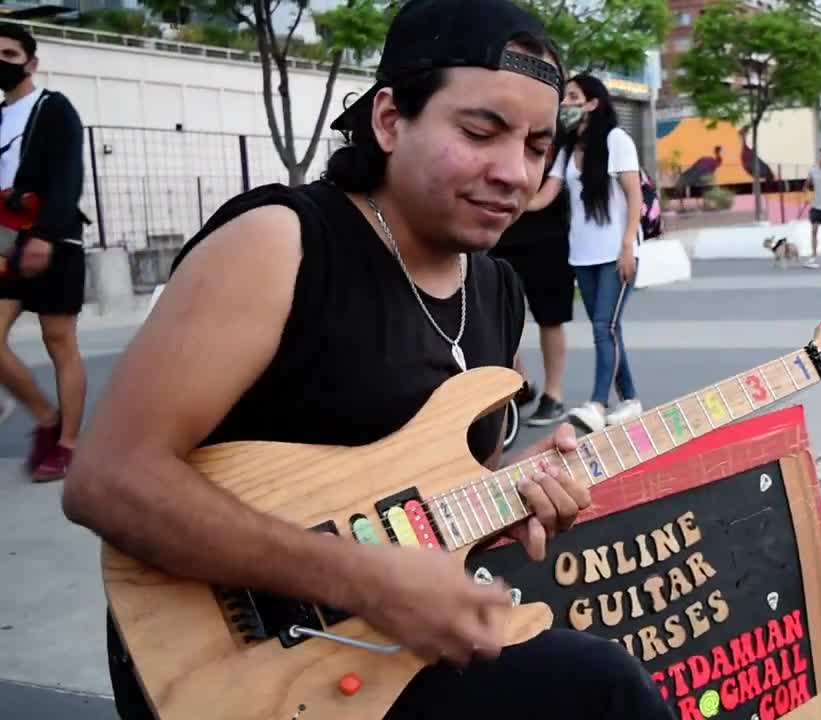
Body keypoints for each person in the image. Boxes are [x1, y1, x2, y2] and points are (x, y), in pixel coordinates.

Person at [60, 1, 675, 719]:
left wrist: (512, 496)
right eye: (481, 130)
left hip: (387, 653)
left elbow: (411, 489)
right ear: (389, 120)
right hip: (246, 674)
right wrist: (364, 579)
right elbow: (107, 479)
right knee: (605, 690)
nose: (514, 171)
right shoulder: (281, 243)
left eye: (539, 146)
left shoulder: (497, 289)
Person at [526, 73, 644, 434]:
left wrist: (628, 246)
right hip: (583, 256)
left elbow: (634, 194)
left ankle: (597, 403)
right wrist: (510, 204)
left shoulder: (616, 140)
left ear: (592, 103)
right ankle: (631, 400)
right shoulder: (568, 149)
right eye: (565, 98)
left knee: (602, 328)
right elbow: (547, 194)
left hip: (615, 254)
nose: (566, 105)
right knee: (609, 330)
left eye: (573, 97)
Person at [0, 23, 88, 482]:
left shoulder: (54, 108)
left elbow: (68, 175)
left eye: (10, 53)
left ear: (31, 62)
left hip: (52, 238)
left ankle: (69, 443)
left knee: (60, 341)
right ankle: (43, 416)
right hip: (3, 242)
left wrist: (46, 236)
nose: (3, 61)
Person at [488, 123, 573, 426]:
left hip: (547, 240)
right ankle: (519, 383)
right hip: (502, 237)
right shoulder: (505, 126)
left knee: (550, 317)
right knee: (499, 317)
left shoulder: (562, 140)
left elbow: (544, 196)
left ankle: (554, 395)